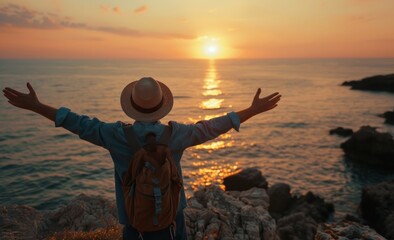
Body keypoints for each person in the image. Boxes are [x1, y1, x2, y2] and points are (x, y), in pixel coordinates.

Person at [3, 78, 281, 240]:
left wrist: (37, 106)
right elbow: (211, 127)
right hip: (173, 218)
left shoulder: (114, 135)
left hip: (133, 220)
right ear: (162, 105)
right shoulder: (177, 135)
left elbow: (77, 122)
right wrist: (251, 111)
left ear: (131, 105)